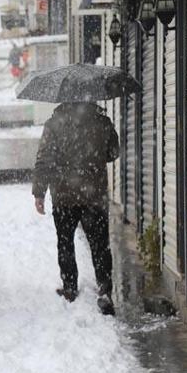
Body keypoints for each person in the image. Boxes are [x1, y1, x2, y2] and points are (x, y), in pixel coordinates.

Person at [31, 101, 120, 315]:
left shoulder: (54, 124)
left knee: (65, 242)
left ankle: (70, 287)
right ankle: (104, 288)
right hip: (94, 194)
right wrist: (93, 156)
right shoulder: (102, 121)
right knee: (100, 244)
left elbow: (44, 159)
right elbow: (113, 153)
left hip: (64, 194)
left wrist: (39, 192)